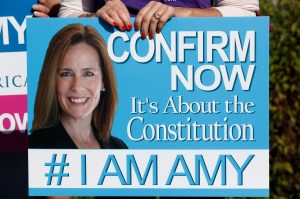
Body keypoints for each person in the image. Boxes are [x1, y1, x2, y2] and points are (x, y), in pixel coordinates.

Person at [28, 24, 127, 149]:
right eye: (66, 74)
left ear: (104, 81)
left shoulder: (119, 148)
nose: (77, 86)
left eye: (88, 74)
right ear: (52, 81)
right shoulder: (33, 148)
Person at [58, 0, 259, 38]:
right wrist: (94, 17)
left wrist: (185, 13)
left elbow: (246, 14)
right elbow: (67, 15)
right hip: (114, 69)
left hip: (195, 74)